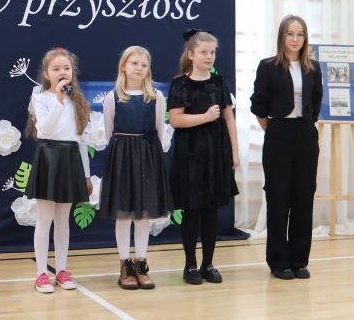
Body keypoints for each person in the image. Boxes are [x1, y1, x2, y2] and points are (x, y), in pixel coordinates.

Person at [250, 15, 323, 280]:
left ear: (305, 38)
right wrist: (275, 131)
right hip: (278, 133)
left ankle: (299, 260)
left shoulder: (313, 67)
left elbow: (316, 103)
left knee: (303, 198)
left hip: (306, 134)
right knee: (279, 198)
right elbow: (258, 106)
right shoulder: (268, 66)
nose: (295, 39)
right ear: (282, 36)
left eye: (300, 34)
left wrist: (303, 128)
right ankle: (278, 261)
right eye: (290, 34)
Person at [168, 30, 239, 285]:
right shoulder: (180, 84)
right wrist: (205, 117)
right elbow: (176, 120)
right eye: (203, 52)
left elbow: (229, 118)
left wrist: (235, 151)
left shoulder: (219, 82)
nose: (209, 56)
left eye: (212, 52)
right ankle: (190, 265)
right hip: (190, 156)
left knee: (211, 211)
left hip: (216, 154)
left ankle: (208, 264)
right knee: (192, 211)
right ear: (191, 54)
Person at [100, 46, 174, 290]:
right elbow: (110, 132)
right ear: (124, 65)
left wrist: (149, 156)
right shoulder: (113, 97)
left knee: (142, 216)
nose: (139, 68)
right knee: (124, 214)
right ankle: (125, 265)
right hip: (122, 157)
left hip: (147, 157)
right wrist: (123, 152)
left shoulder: (156, 97)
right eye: (134, 63)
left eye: (144, 65)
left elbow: (159, 131)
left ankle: (141, 264)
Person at [25, 47, 94, 294]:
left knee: (63, 220)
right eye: (56, 69)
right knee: (44, 219)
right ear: (47, 74)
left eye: (66, 68)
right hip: (49, 157)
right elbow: (44, 130)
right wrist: (58, 99)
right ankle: (41, 274)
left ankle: (62, 270)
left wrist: (86, 174)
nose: (62, 72)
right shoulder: (40, 97)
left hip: (71, 159)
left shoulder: (78, 101)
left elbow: (81, 139)